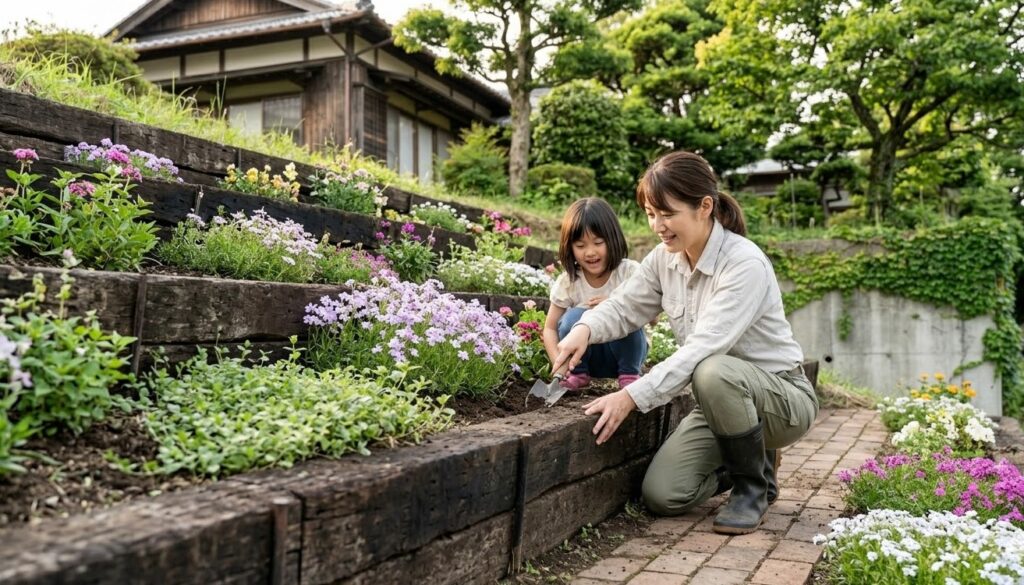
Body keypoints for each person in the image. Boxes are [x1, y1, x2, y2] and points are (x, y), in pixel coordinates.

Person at [552, 151, 818, 535]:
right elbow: (626, 305)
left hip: (782, 400)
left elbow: (702, 350)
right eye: (650, 214)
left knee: (711, 369)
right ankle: (753, 461)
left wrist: (629, 397)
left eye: (667, 213)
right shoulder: (665, 259)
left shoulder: (744, 264)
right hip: (722, 404)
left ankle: (751, 488)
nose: (658, 225)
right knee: (664, 494)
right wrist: (584, 330)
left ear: (704, 207)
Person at [542, 197, 647, 391]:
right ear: (570, 248)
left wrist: (616, 304)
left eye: (598, 242)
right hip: (585, 358)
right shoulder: (569, 282)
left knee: (625, 312)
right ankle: (578, 374)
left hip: (623, 357)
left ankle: (630, 375)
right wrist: (559, 361)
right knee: (573, 317)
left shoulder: (629, 272)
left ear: (613, 239)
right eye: (580, 246)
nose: (590, 252)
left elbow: (652, 317)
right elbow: (549, 328)